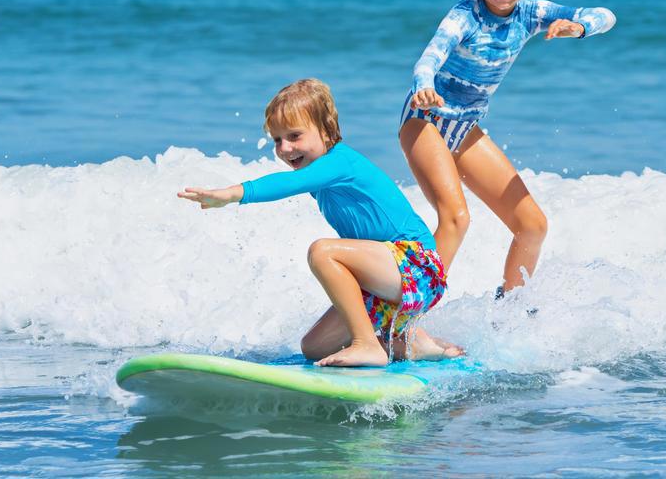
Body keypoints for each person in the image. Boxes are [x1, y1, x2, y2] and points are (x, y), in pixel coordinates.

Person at [399, 0, 616, 297]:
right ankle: (401, 314)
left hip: (464, 130)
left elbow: (605, 15)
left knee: (532, 225)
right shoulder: (464, 16)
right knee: (455, 219)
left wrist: (577, 28)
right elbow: (429, 58)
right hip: (426, 121)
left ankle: (509, 314)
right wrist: (424, 87)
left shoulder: (531, 14)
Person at [179, 78, 462, 367]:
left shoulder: (339, 163)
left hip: (418, 267)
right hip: (386, 279)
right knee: (314, 346)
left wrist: (232, 194)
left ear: (327, 131)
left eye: (294, 136)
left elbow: (289, 183)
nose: (285, 148)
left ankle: (368, 346)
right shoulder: (320, 175)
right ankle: (413, 344)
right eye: (277, 139)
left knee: (323, 251)